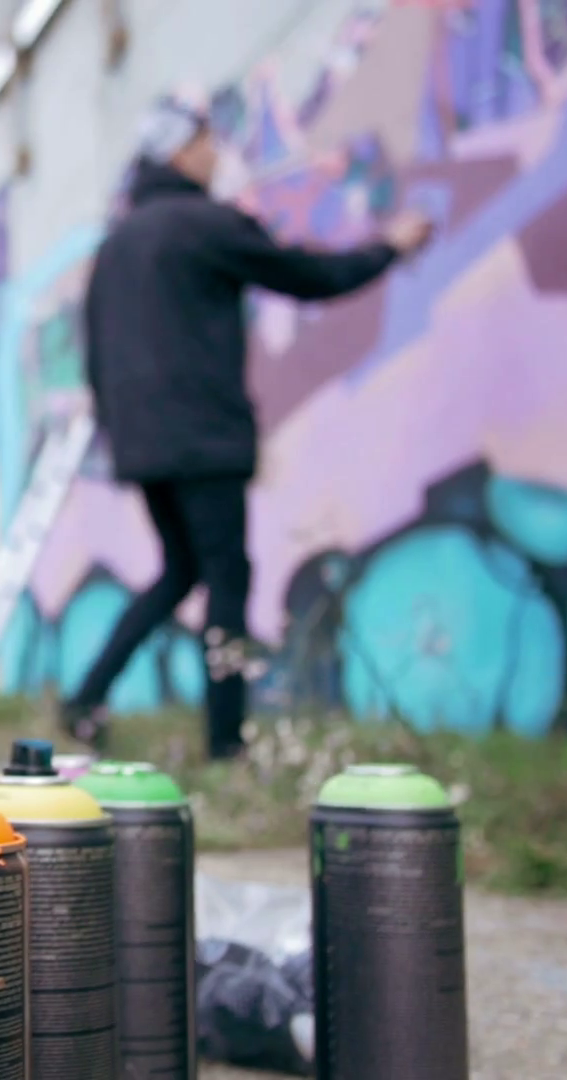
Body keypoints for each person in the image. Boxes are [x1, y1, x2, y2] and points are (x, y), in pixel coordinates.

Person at [62, 93, 435, 760]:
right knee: (226, 578)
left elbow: (92, 354)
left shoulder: (115, 246)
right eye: (207, 141)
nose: (217, 153)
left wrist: (123, 435)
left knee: (181, 570)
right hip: (204, 438)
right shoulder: (206, 224)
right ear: (182, 152)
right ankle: (226, 742)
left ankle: (86, 696)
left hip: (142, 444)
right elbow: (308, 275)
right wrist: (389, 247)